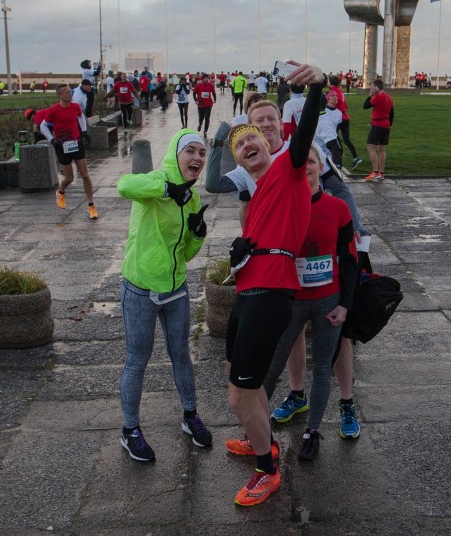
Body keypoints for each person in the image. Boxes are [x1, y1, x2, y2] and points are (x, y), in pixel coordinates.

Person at [223, 62, 325, 507]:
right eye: (240, 142)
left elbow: (303, 137)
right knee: (236, 380)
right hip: (248, 290)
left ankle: (267, 469)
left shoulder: (288, 170)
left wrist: (319, 87)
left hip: (270, 293)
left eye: (255, 138)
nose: (248, 142)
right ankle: (258, 436)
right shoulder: (260, 190)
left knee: (238, 396)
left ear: (270, 145)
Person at [116, 129, 213, 461]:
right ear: (176, 153)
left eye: (202, 153)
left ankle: (189, 415)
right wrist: (166, 189)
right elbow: (124, 186)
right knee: (137, 362)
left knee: (181, 354)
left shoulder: (193, 199)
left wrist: (198, 235)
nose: (197, 158)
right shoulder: (156, 183)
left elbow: (184, 255)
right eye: (191, 151)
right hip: (140, 289)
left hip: (176, 290)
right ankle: (130, 430)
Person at [260, 145, 358, 462]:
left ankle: (312, 432)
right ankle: (257, 431)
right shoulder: (284, 207)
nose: (307, 168)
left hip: (328, 301)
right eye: (302, 164)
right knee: (273, 365)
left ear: (320, 168)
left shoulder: (338, 209)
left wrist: (345, 304)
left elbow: (350, 259)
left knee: (321, 369)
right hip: (293, 301)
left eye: (312, 162)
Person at [40, 83, 98, 220]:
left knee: (85, 175)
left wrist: (83, 132)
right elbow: (43, 125)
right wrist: (52, 140)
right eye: (67, 93)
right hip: (62, 146)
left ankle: (91, 206)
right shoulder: (54, 110)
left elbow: (81, 117)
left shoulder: (75, 106)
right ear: (60, 95)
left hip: (76, 143)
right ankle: (61, 192)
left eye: (70, 91)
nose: (70, 94)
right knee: (70, 178)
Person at [363, 79, 394, 181]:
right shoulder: (389, 97)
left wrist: (370, 95)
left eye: (372, 87)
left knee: (371, 147)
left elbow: (365, 106)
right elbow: (391, 113)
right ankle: (381, 172)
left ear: (376, 88)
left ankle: (375, 172)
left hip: (378, 124)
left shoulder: (379, 97)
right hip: (386, 125)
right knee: (382, 149)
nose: (371, 89)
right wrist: (390, 125)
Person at [328, 75, 361, 170]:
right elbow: (345, 104)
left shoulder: (333, 92)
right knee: (346, 139)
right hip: (345, 116)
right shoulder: (341, 92)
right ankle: (355, 157)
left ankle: (339, 155)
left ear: (330, 83)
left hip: (338, 117)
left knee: (332, 136)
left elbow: (332, 103)